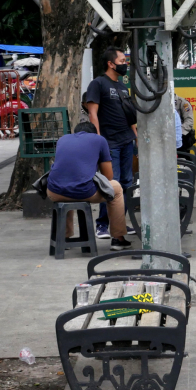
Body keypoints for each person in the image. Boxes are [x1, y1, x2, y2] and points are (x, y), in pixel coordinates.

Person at [46, 122, 132, 250]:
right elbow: (108, 176)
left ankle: (64, 237)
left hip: (53, 191)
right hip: (84, 191)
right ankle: (118, 238)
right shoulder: (99, 139)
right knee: (117, 188)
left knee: (67, 190)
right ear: (94, 133)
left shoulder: (63, 139)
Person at [85, 47, 137, 239]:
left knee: (126, 183)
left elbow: (130, 116)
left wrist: (136, 135)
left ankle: (119, 224)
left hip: (126, 141)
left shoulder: (123, 87)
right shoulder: (98, 84)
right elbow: (93, 114)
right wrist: (99, 142)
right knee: (109, 184)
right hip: (109, 143)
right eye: (122, 61)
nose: (125, 64)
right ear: (111, 63)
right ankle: (102, 225)